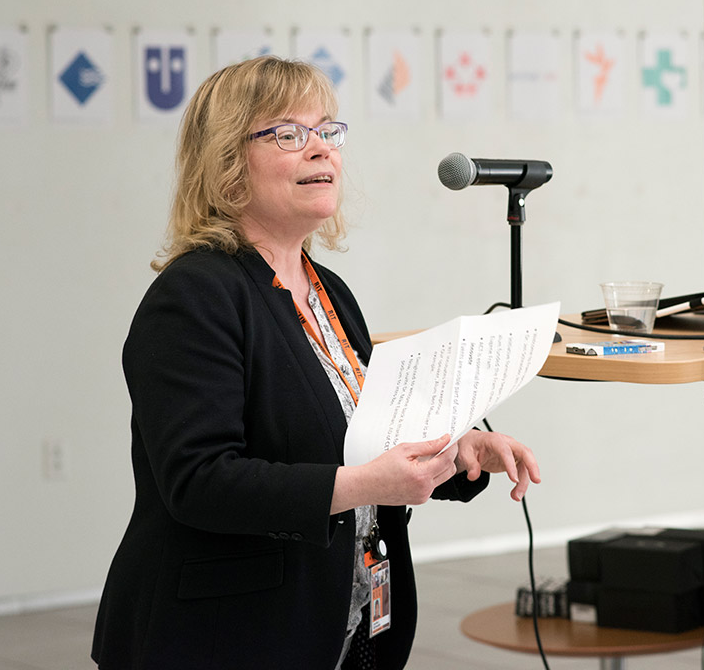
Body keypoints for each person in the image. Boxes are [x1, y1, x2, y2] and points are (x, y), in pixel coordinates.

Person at [92, 56, 541, 670]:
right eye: (287, 134)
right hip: (228, 634)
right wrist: (370, 483)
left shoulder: (327, 290)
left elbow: (358, 440)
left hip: (344, 624)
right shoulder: (195, 294)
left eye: (328, 131)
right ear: (226, 166)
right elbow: (199, 482)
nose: (320, 150)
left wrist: (456, 450)